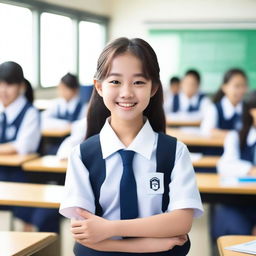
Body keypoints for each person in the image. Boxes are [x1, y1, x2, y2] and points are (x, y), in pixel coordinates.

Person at [59, 37, 203, 256]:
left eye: (138, 82)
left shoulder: (174, 152)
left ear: (154, 88)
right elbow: (84, 235)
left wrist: (109, 229)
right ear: (98, 86)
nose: (126, 92)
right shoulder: (82, 155)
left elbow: (182, 222)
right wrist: (150, 244)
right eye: (115, 81)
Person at [0, 61, 41, 230]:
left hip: (22, 175)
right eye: (0, 84)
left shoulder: (30, 112)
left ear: (21, 86)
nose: (3, 90)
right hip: (2, 170)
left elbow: (22, 146)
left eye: (9, 85)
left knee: (25, 213)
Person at [212, 91, 256, 239]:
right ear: (252, 111)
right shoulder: (235, 136)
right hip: (239, 204)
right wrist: (250, 169)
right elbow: (224, 166)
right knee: (237, 230)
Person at [200, 68, 248, 137]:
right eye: (237, 86)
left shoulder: (248, 109)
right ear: (224, 87)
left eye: (243, 86)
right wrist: (233, 135)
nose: (241, 90)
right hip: (218, 147)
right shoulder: (214, 108)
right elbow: (206, 131)